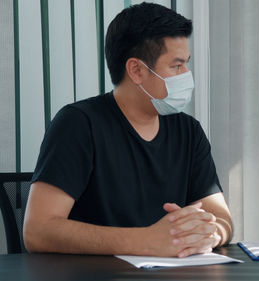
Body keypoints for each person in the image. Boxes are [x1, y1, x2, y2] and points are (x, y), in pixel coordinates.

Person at [23, 3, 232, 258]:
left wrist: (207, 234)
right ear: (136, 70)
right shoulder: (78, 124)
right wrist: (146, 241)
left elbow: (221, 217)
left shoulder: (189, 131)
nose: (187, 75)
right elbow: (38, 230)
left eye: (186, 64)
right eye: (177, 67)